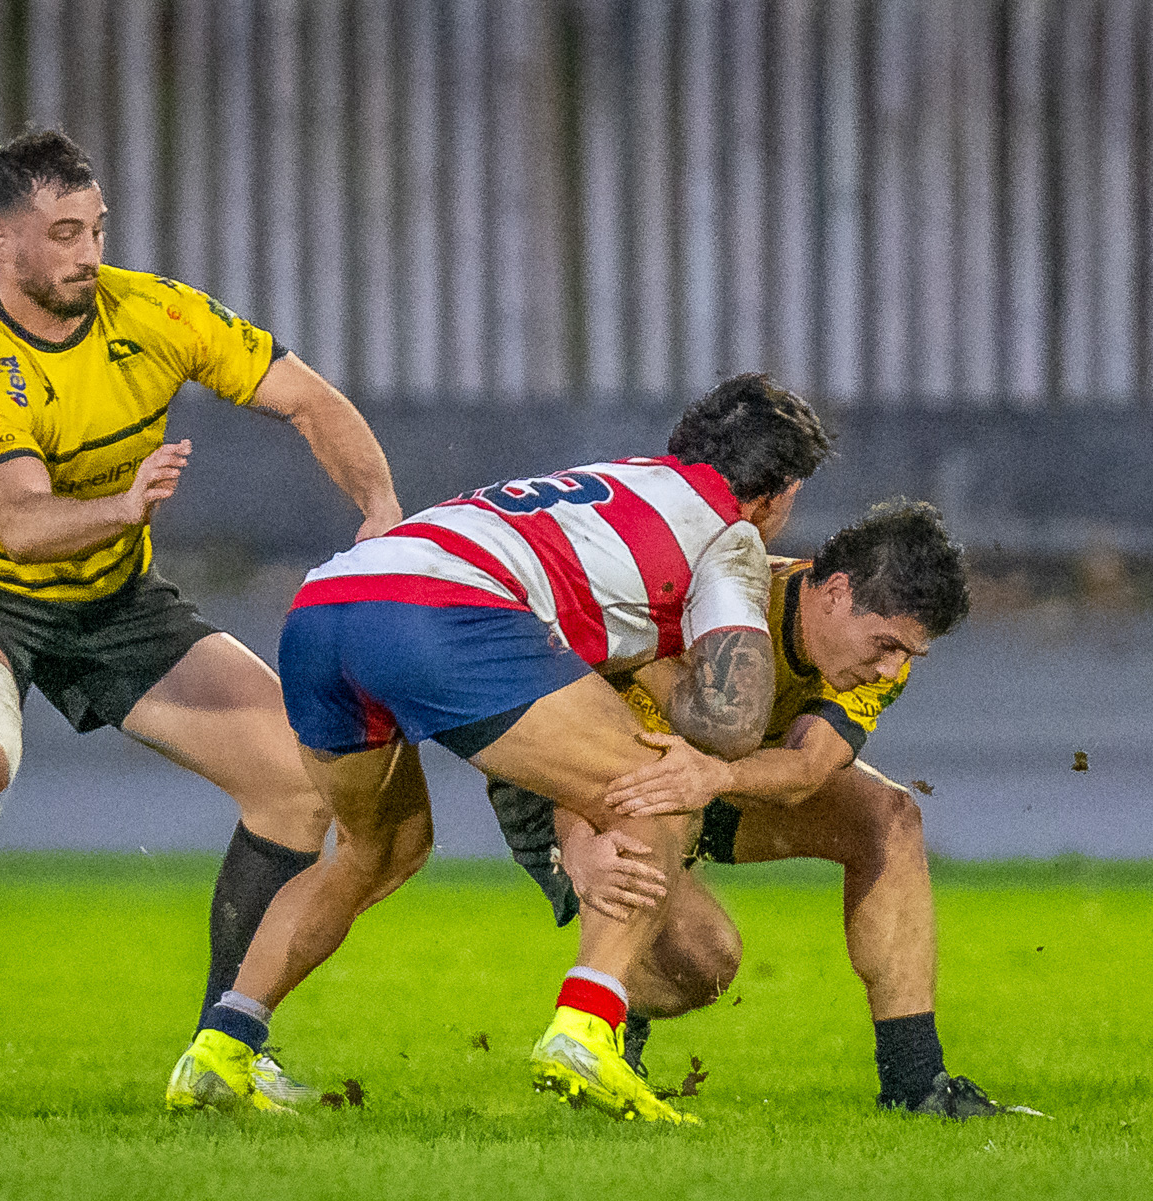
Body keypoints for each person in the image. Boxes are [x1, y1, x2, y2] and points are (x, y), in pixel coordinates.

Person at [0, 129, 402, 1097]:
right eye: (64, 233)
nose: (88, 253)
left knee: (298, 779)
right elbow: (21, 525)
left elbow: (307, 399)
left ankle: (225, 1045)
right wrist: (122, 506)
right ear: (2, 244)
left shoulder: (151, 311)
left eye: (96, 228)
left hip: (114, 601)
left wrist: (380, 510)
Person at [164, 373, 832, 1124]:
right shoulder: (728, 529)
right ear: (777, 491)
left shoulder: (616, 481)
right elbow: (733, 720)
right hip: (440, 614)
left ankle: (221, 1046)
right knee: (656, 778)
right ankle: (585, 1027)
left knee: (375, 849)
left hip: (326, 606)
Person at [488, 500, 1013, 1118]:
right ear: (837, 592)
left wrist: (718, 775)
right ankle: (604, 1037)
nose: (892, 667)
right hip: (572, 785)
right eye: (887, 644)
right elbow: (572, 709)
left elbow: (807, 769)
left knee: (889, 817)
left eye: (907, 654)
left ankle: (918, 1086)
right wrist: (574, 842)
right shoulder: (708, 602)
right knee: (701, 961)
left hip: (703, 780)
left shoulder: (874, 663)